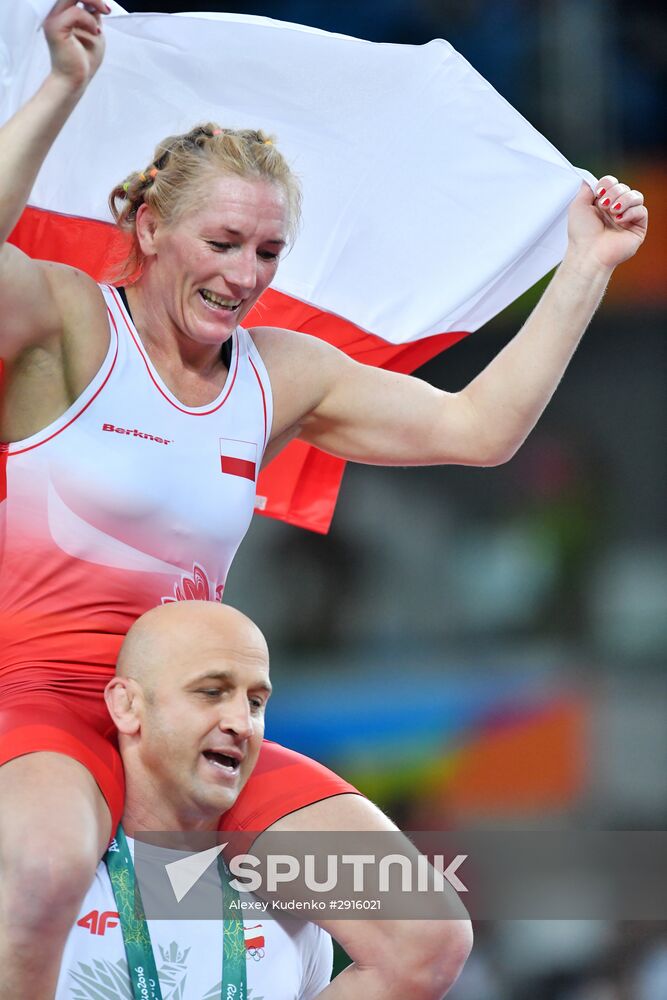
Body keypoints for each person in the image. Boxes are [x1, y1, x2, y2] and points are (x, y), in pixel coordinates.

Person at [0, 1, 645, 996]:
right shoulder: (69, 321)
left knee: (425, 938)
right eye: (224, 242)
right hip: (43, 696)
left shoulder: (280, 373)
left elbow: (478, 430)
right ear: (149, 226)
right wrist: (60, 88)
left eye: (267, 252)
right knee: (41, 871)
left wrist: (586, 268)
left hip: (197, 721)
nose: (244, 276)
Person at [56, 600, 334, 1000]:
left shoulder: (295, 916)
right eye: (211, 692)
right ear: (127, 705)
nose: (242, 724)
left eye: (255, 703)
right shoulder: (46, 883)